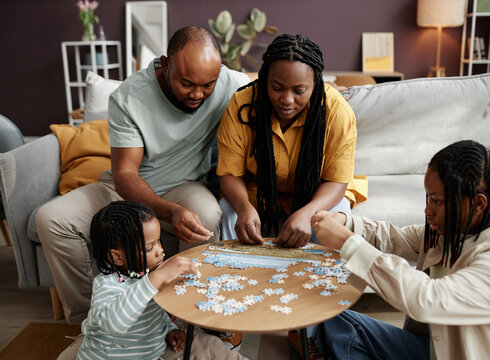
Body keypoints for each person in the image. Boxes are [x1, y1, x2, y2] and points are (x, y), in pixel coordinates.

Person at [35, 26, 253, 324]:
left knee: (205, 214)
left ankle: (183, 323)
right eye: (187, 83)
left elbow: (277, 85)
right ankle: (93, 325)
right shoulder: (129, 97)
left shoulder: (229, 82)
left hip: (185, 186)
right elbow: (125, 175)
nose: (198, 94)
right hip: (125, 189)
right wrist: (170, 212)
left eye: (208, 85)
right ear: (166, 65)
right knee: (51, 219)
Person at [311, 140, 490, 360]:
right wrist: (345, 222)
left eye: (437, 201)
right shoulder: (453, 231)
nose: (427, 210)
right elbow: (394, 237)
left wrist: (348, 243)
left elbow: (427, 298)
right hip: (427, 348)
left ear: (478, 204)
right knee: (329, 318)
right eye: (428, 198)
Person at [57, 201, 246, 360]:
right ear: (117, 258)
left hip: (153, 350)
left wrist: (170, 329)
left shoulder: (149, 273)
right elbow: (113, 324)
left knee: (211, 345)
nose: (159, 251)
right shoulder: (107, 285)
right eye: (149, 248)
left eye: (159, 241)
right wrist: (156, 278)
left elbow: (154, 315)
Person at [217, 34, 357, 248]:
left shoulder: (336, 112)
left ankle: (325, 279)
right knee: (228, 212)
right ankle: (228, 274)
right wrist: (244, 207)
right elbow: (229, 173)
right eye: (276, 87)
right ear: (265, 79)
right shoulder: (242, 104)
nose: (287, 99)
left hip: (316, 196)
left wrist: (307, 212)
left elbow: (337, 181)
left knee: (337, 217)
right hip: (256, 195)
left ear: (315, 84)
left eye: (299, 91)